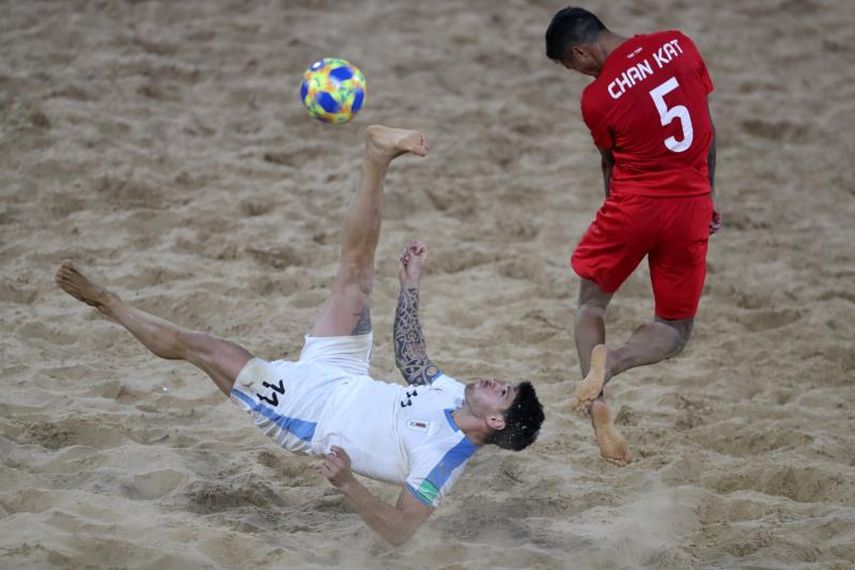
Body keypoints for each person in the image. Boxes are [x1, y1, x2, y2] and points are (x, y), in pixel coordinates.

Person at [55, 125, 545, 546]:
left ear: (497, 422)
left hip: (303, 411)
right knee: (355, 275)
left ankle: (109, 304)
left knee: (199, 345)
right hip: (343, 373)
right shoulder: (453, 395)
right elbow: (412, 358)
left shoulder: (442, 464)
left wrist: (348, 483)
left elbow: (399, 532)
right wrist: (410, 284)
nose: (491, 380)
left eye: (501, 391)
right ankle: (378, 158)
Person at [545, 7, 719, 465]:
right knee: (675, 329)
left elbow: (611, 163)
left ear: (581, 51)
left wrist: (617, 216)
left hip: (634, 206)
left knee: (591, 304)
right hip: (691, 201)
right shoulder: (678, 44)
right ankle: (616, 362)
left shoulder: (597, 97)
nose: (578, 74)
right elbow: (706, 127)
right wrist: (709, 196)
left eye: (571, 65)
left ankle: (597, 400)